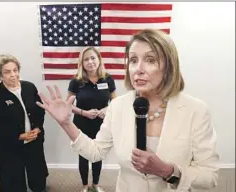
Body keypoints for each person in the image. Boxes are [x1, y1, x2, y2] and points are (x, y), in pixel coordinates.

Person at [36, 29, 219, 192]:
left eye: (150, 60)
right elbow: (95, 151)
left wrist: (167, 170)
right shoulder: (118, 106)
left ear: (169, 66)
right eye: (133, 60)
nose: (137, 69)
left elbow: (210, 177)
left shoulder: (196, 110)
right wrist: (66, 123)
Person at [0, 54, 49, 192]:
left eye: (15, 70)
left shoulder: (29, 87)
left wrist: (37, 128)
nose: (13, 75)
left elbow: (40, 111)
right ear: (0, 75)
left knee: (38, 177)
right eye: (7, 72)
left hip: (34, 140)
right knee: (12, 181)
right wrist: (18, 136)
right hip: (8, 144)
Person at [67, 46, 116, 192]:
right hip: (82, 123)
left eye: (93, 58)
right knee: (83, 155)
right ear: (81, 63)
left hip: (101, 124)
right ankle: (84, 185)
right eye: (86, 59)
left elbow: (115, 102)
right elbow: (68, 106)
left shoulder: (107, 78)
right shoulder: (76, 81)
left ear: (99, 59)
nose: (90, 62)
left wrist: (107, 110)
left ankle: (95, 184)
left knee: (98, 154)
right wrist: (84, 112)